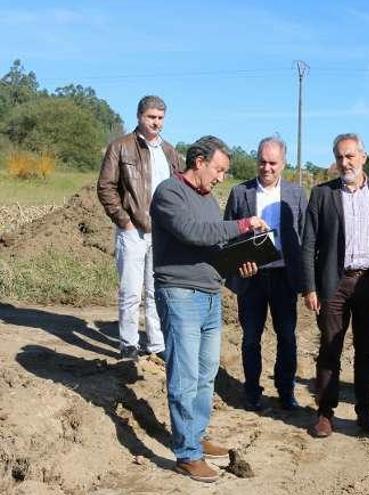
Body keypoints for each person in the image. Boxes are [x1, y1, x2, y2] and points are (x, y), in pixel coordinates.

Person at [151, 135, 268, 483]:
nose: (220, 178)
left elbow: (214, 243)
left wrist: (240, 260)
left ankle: (197, 435)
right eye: (218, 170)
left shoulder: (207, 200)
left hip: (209, 294)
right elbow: (192, 232)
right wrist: (245, 224)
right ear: (199, 161)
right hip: (180, 294)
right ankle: (187, 454)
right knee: (184, 377)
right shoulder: (169, 193)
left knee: (205, 374)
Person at [301, 133, 369, 438]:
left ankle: (364, 412)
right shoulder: (322, 195)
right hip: (334, 283)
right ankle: (325, 413)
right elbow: (309, 244)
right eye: (339, 157)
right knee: (329, 348)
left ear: (363, 157)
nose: (344, 163)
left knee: (367, 351)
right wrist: (310, 287)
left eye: (349, 156)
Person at [224, 136, 308, 412]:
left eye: (273, 163)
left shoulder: (296, 194)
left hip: (285, 275)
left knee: (287, 336)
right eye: (262, 161)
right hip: (252, 276)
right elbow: (228, 234)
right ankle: (251, 392)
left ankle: (286, 392)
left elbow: (305, 236)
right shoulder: (240, 193)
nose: (267, 168)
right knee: (251, 338)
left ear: (283, 164)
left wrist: (307, 280)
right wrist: (239, 264)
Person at [97, 95, 182, 361]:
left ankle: (156, 343)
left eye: (160, 118)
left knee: (156, 290)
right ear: (139, 117)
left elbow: (178, 188)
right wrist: (124, 220)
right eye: (151, 117)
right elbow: (106, 186)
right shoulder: (120, 147)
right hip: (133, 230)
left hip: (163, 232)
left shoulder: (169, 151)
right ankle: (129, 344)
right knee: (131, 291)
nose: (156, 123)